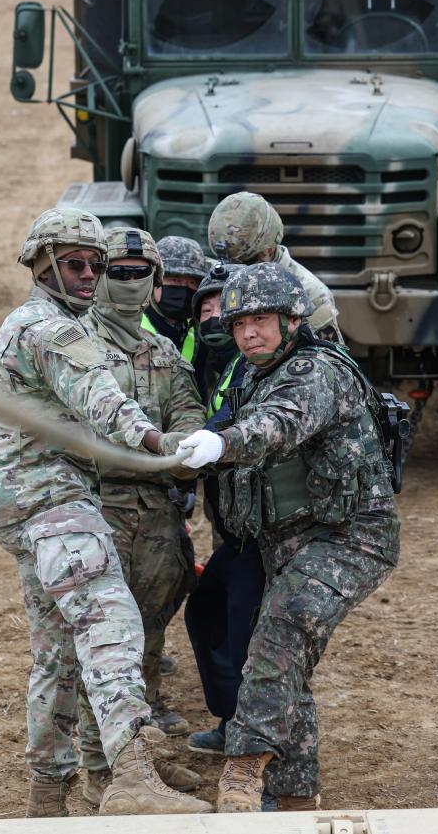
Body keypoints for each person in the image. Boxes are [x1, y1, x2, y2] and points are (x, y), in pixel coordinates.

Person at [0, 207, 211, 818]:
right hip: (49, 496)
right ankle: (129, 776)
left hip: (29, 497)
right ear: (42, 264)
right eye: (77, 264)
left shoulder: (54, 322)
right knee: (111, 621)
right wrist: (163, 445)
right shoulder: (53, 330)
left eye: (96, 266)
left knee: (57, 651)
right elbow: (102, 398)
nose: (91, 276)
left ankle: (48, 798)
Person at [175, 262, 400, 812]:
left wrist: (223, 444)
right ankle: (296, 795)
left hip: (350, 537)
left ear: (291, 319)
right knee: (286, 656)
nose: (249, 332)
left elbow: (279, 423)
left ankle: (244, 768)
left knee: (282, 628)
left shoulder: (314, 372)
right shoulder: (252, 372)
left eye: (261, 319)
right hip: (288, 541)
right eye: (239, 323)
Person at [77, 228, 206, 799]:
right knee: (97, 640)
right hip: (93, 506)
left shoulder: (165, 355)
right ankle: (97, 766)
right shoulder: (74, 344)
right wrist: (154, 450)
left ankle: (142, 755)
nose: (130, 282)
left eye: (140, 273)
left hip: (154, 512)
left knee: (149, 630)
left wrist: (175, 452)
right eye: (118, 271)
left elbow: (189, 420)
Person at [183, 263, 267, 757]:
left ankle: (259, 743)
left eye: (229, 313)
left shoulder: (272, 368)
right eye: (209, 311)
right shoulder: (214, 361)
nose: (219, 320)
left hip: (273, 530)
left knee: (251, 630)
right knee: (209, 610)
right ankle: (233, 721)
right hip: (236, 526)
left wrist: (214, 443)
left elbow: (264, 426)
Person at [207, 191, 342, 342]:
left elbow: (330, 358)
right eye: (229, 263)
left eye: (247, 262)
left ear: (269, 249)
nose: (236, 270)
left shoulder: (310, 293)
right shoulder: (216, 274)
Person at [141, 236, 207, 384]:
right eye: (175, 279)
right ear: (154, 279)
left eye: (192, 282)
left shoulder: (201, 331)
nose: (184, 289)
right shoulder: (129, 326)